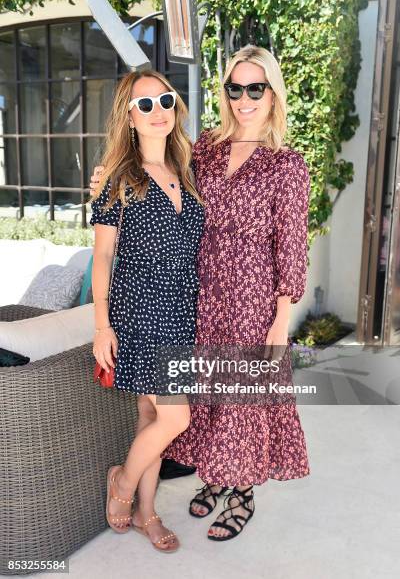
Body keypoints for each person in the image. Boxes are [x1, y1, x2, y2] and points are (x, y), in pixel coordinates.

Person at [90, 45, 311, 542]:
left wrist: (281, 320)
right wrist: (105, 180)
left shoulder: (286, 164)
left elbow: (293, 247)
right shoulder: (204, 148)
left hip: (252, 302)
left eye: (256, 87)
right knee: (206, 403)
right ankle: (212, 479)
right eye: (236, 88)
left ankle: (242, 494)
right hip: (198, 297)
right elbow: (149, 159)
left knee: (244, 402)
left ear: (272, 94)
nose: (245, 98)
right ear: (225, 93)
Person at [89, 69, 204, 553]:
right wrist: (101, 325)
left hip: (181, 312)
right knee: (175, 419)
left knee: (149, 419)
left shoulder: (188, 170)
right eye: (144, 104)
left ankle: (146, 513)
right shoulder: (118, 179)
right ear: (129, 119)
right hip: (140, 313)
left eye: (165, 100)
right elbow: (102, 256)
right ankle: (122, 481)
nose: (157, 111)